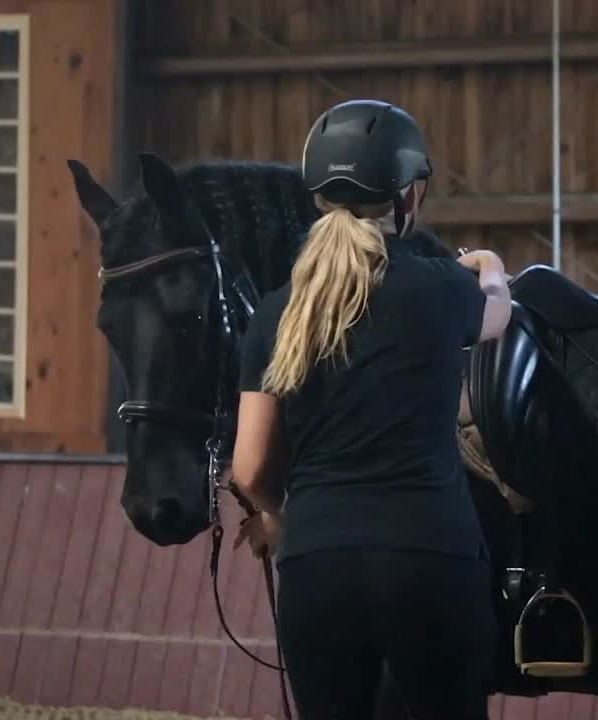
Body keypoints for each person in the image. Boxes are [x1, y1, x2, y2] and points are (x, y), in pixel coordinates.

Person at [229, 98, 512, 720]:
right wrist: (488, 266)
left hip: (317, 566)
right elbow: (497, 316)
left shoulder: (278, 311)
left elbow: (248, 468)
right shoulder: (443, 288)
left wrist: (275, 517)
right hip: (431, 557)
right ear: (407, 197)